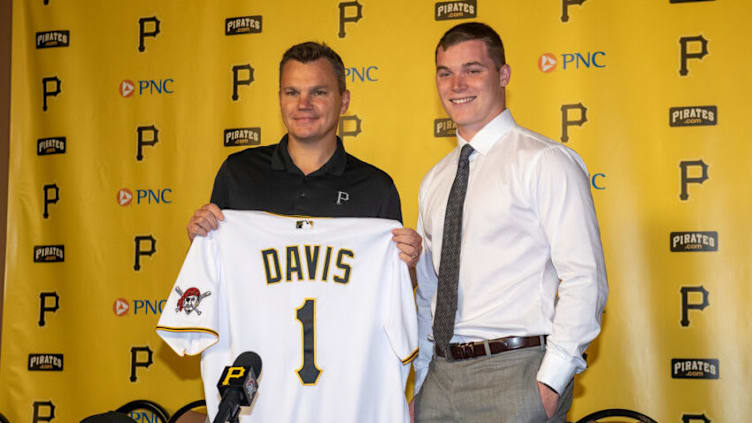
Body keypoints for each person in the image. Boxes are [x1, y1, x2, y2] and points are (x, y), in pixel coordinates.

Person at [413, 22, 608, 422]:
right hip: (439, 378)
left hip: (516, 374)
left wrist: (551, 383)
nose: (457, 84)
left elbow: (585, 278)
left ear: (503, 75)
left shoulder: (545, 161)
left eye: (473, 69)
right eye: (445, 72)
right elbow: (428, 295)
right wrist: (419, 383)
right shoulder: (435, 179)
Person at [186, 41, 421, 266]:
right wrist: (201, 239)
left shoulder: (375, 188)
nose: (303, 104)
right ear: (279, 99)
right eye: (292, 92)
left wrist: (408, 264)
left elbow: (393, 287)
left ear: (344, 101)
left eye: (318, 92)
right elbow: (212, 272)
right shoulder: (237, 173)